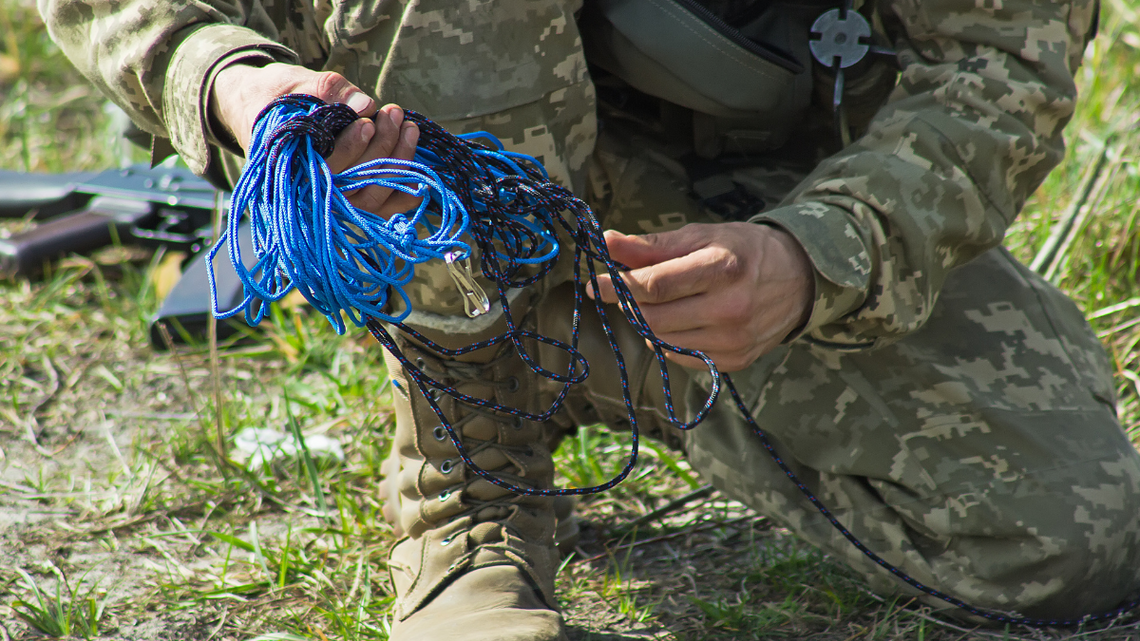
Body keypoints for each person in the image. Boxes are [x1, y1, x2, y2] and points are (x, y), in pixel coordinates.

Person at [40, 0, 1140, 638]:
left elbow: (995, 62)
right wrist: (235, 82)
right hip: (432, 134)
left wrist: (821, 254)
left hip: (792, 184)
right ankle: (471, 464)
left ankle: (594, 348)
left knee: (1065, 531)